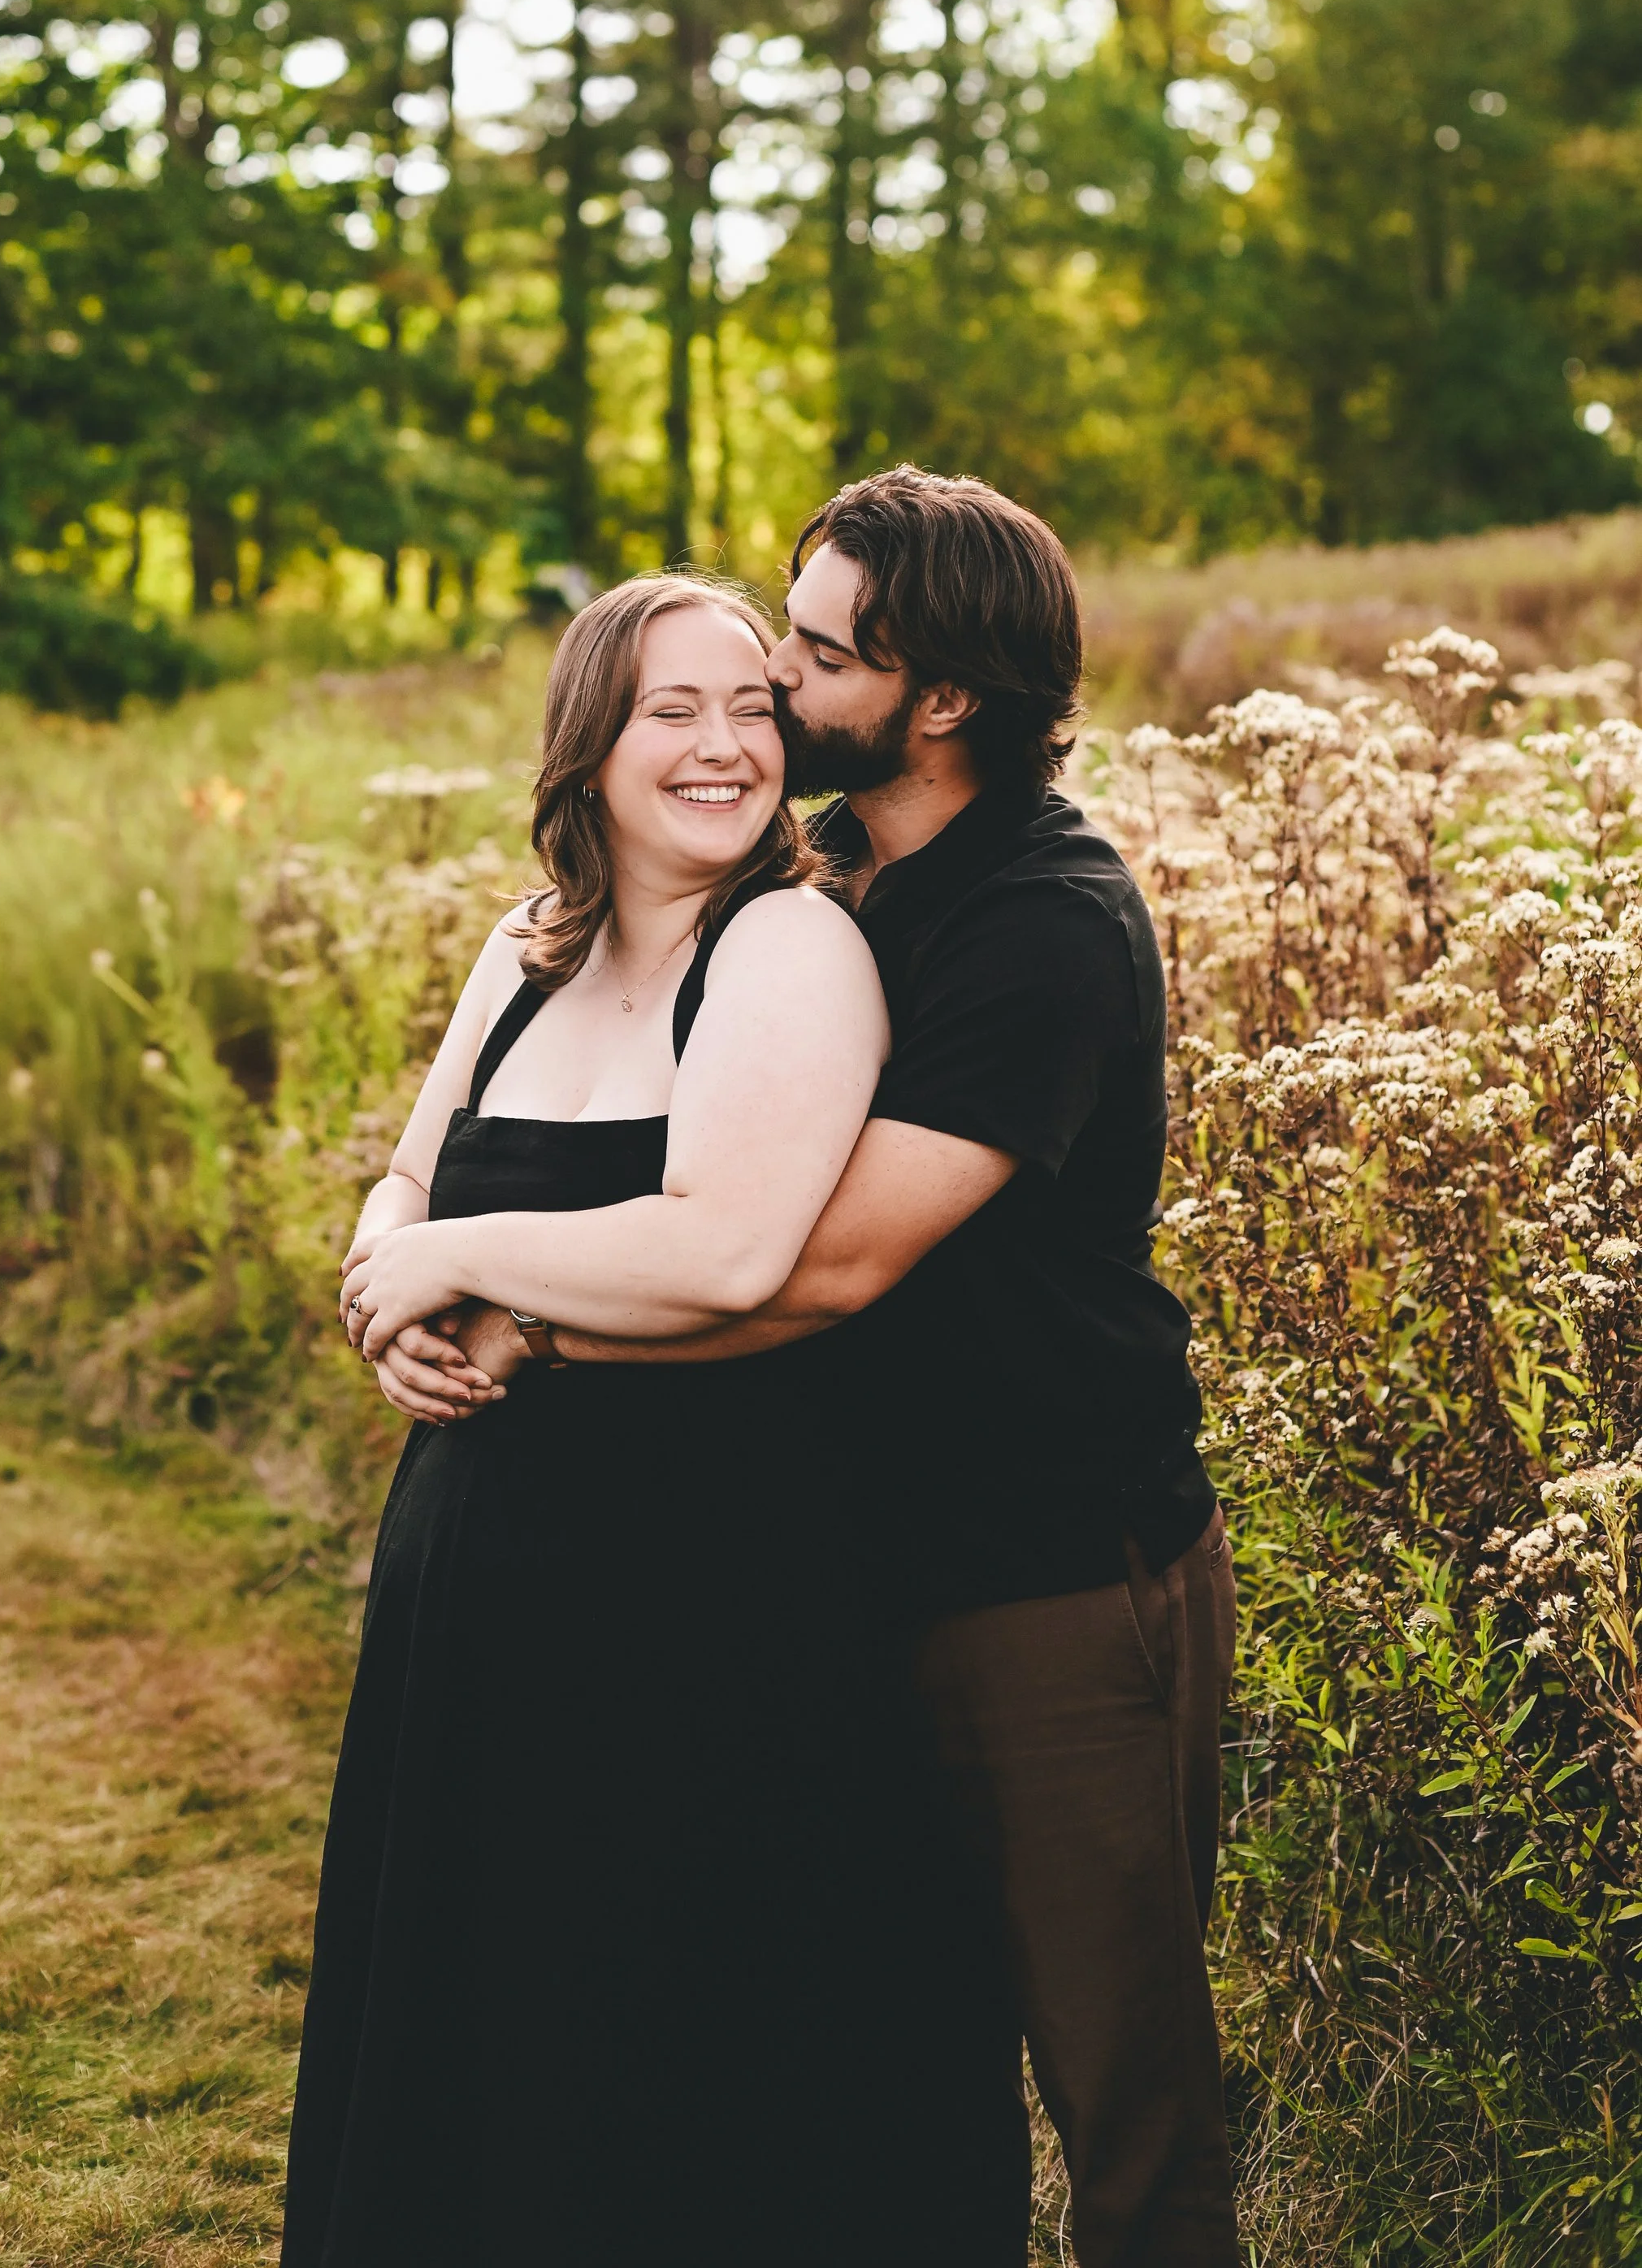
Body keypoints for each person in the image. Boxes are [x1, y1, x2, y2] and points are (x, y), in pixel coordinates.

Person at [375, 469, 1242, 2268]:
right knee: (867, 2053)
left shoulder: (1040, 920)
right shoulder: (832, 870)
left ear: (938, 700)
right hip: (835, 1562)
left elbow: (816, 1266)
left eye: (817, 652)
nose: (769, 678)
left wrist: (504, 1305)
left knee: (1119, 2088)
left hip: (1048, 1575)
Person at [284, 570, 1002, 2268]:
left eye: (750, 705)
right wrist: (384, 1291)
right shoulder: (521, 952)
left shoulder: (788, 948)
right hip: (473, 1565)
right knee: (479, 2007)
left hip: (699, 1589)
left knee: (658, 2028)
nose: (723, 742)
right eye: (670, 709)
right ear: (588, 742)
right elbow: (405, 1175)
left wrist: (453, 1260)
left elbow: (728, 1246)